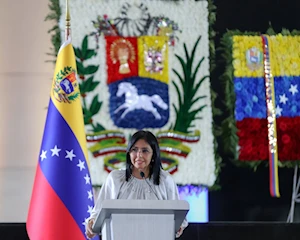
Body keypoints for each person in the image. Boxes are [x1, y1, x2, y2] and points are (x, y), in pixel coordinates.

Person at [85, 130, 188, 239]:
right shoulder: (115, 179)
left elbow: (179, 216)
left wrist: (179, 226)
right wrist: (92, 223)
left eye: (145, 151)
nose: (139, 155)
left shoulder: (165, 180)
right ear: (129, 153)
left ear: (153, 154)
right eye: (134, 150)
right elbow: (98, 213)